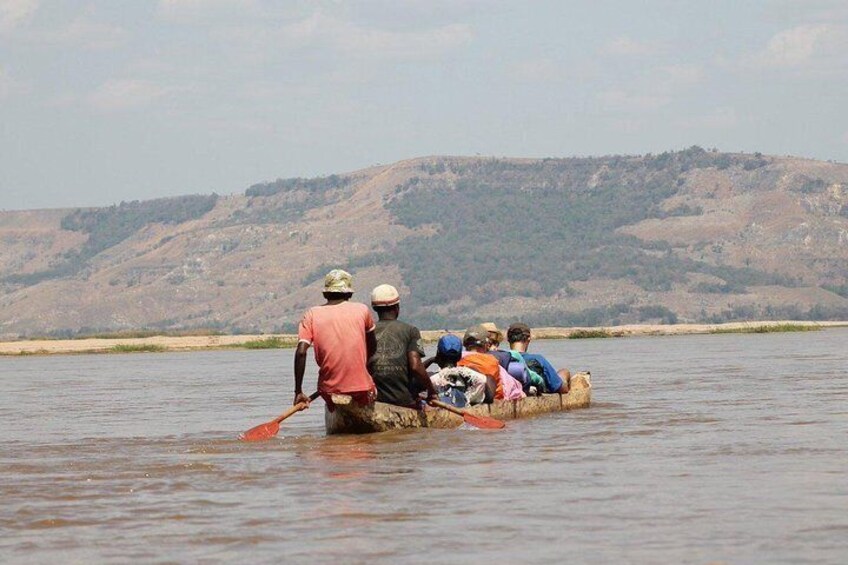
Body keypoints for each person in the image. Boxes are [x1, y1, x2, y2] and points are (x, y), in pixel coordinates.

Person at [293, 269, 377, 407]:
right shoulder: (362, 310)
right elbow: (373, 348)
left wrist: (298, 391)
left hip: (328, 389)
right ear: (349, 293)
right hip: (363, 388)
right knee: (374, 392)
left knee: (328, 394)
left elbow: (301, 352)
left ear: (325, 293)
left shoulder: (312, 314)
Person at [369, 284, 437, 407]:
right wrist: (431, 392)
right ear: (397, 308)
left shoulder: (366, 332)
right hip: (404, 400)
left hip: (373, 398)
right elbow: (416, 367)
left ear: (374, 308)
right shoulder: (411, 330)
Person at [458, 325, 525, 401]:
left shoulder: (457, 359)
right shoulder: (492, 361)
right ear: (486, 345)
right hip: (492, 400)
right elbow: (515, 390)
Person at [506, 322, 571, 393]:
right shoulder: (538, 359)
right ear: (528, 339)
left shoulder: (502, 359)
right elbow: (560, 388)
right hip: (535, 392)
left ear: (508, 339)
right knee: (564, 372)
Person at [428, 334, 489, 406]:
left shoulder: (431, 381)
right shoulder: (479, 379)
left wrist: (430, 360)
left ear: (438, 355)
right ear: (460, 356)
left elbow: (413, 379)